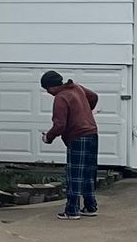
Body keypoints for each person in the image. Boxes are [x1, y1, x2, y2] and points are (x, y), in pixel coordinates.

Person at [40, 69, 100, 217]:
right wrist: (85, 110)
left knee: (75, 175)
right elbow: (94, 96)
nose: (48, 92)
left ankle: (72, 210)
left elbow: (59, 125)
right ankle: (90, 207)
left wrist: (48, 137)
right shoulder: (76, 88)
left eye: (47, 89)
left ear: (52, 86)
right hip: (92, 133)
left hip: (77, 136)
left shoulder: (61, 97)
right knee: (88, 172)